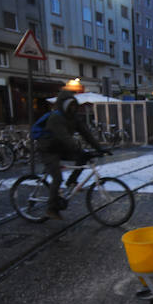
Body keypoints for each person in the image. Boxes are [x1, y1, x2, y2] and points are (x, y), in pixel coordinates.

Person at [35, 89, 108, 220]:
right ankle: (51, 209)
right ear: (63, 105)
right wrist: (78, 149)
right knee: (57, 178)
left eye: (74, 105)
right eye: (70, 105)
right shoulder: (55, 118)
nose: (73, 108)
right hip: (48, 149)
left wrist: (100, 148)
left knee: (83, 157)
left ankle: (71, 182)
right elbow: (65, 138)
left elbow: (87, 134)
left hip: (61, 147)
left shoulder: (73, 118)